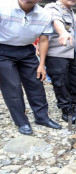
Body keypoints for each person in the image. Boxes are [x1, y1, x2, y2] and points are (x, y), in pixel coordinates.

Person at [0, 0, 61, 135]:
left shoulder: (44, 14)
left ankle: (42, 117)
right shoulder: (3, 6)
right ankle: (22, 122)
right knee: (12, 87)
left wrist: (41, 65)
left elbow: (44, 40)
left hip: (27, 51)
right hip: (3, 51)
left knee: (36, 83)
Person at [44, 0, 76, 123]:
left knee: (75, 81)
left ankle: (74, 105)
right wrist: (63, 32)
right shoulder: (52, 7)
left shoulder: (71, 11)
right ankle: (66, 110)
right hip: (56, 54)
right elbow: (56, 20)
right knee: (61, 83)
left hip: (70, 54)